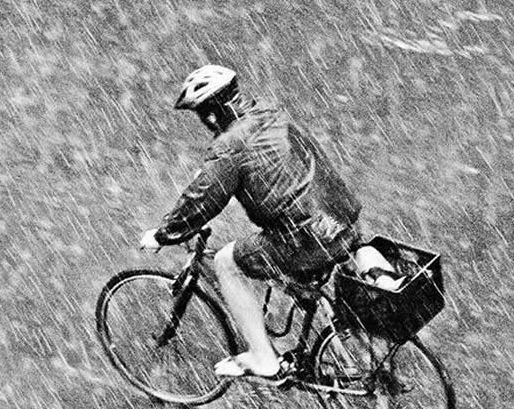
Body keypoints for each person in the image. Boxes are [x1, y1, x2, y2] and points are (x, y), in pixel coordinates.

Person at [140, 65, 363, 380]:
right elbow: (284, 161)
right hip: (340, 218)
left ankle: (263, 358)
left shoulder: (229, 146)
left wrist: (165, 235)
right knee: (301, 275)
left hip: (305, 238)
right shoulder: (271, 114)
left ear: (210, 113)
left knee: (226, 262)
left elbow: (202, 199)